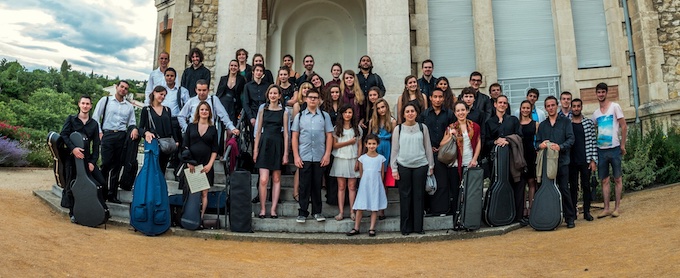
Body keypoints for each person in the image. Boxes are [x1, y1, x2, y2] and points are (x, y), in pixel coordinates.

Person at [60, 95, 108, 222]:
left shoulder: (94, 124)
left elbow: (96, 145)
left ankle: (97, 210)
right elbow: (64, 135)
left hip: (86, 159)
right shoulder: (71, 119)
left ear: (91, 106)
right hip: (72, 158)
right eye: (83, 103)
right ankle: (73, 213)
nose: (85, 106)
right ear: (79, 104)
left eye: (88, 104)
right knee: (71, 184)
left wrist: (92, 162)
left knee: (101, 182)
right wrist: (73, 149)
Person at [390, 103, 435, 235]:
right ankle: (405, 228)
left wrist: (430, 166)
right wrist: (394, 168)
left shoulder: (422, 128)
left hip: (421, 165)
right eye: (407, 111)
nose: (410, 113)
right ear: (403, 114)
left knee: (419, 197)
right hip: (403, 166)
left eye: (412, 111)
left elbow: (428, 147)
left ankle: (418, 227)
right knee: (405, 197)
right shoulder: (398, 129)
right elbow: (394, 150)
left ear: (416, 113)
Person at [91, 80, 138, 203]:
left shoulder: (129, 106)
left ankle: (112, 194)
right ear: (116, 87)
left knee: (117, 166)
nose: (123, 89)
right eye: (121, 87)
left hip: (122, 136)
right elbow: (96, 117)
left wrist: (133, 130)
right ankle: (102, 192)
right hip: (107, 134)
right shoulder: (105, 101)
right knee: (106, 164)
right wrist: (100, 133)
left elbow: (132, 122)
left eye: (126, 88)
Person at [292, 89, 333, 223]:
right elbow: (295, 137)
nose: (313, 100)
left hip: (319, 156)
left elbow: (329, 135)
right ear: (306, 99)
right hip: (304, 156)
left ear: (319, 100)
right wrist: (296, 156)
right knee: (304, 185)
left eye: (315, 97)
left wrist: (327, 154)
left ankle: (317, 211)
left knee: (317, 185)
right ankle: (303, 212)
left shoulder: (324, 116)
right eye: (310, 97)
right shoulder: (300, 116)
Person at [484, 95, 524, 224]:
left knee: (516, 186)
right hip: (496, 162)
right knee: (499, 187)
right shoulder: (489, 122)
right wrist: (496, 141)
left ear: (507, 105)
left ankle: (517, 217)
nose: (502, 105)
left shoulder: (513, 120)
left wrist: (508, 139)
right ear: (495, 104)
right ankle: (502, 215)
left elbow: (519, 135)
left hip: (513, 159)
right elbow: (485, 142)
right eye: (500, 102)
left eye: (504, 103)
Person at [536, 96, 576, 228]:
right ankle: (551, 217)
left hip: (563, 161)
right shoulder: (542, 125)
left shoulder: (565, 122)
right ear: (545, 108)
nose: (551, 108)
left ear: (557, 106)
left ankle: (570, 218)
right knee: (548, 190)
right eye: (548, 106)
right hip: (547, 164)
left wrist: (561, 147)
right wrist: (540, 145)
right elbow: (537, 142)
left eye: (553, 105)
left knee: (564, 189)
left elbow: (571, 139)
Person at [591, 82, 627, 218]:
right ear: (596, 94)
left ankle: (617, 208)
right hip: (601, 150)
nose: (601, 94)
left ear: (606, 93)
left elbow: (623, 126)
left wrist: (622, 145)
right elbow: (592, 128)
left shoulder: (615, 107)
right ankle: (606, 208)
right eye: (598, 92)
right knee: (604, 180)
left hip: (615, 148)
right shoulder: (595, 114)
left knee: (617, 178)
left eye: (603, 92)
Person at [253, 85, 289, 219]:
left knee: (276, 178)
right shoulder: (263, 110)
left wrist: (286, 153)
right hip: (264, 144)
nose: (273, 95)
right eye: (271, 93)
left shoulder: (284, 112)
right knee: (263, 179)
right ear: (268, 95)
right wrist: (255, 150)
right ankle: (262, 208)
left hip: (277, 144)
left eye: (275, 93)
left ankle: (273, 209)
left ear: (280, 96)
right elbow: (257, 131)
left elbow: (286, 134)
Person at [419, 89, 455, 216]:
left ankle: (441, 210)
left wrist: (442, 146)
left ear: (444, 98)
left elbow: (452, 132)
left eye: (440, 97)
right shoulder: (424, 115)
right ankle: (428, 209)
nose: (438, 99)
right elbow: (421, 134)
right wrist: (429, 147)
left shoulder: (449, 114)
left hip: (444, 152)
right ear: (430, 98)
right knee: (429, 182)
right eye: (435, 97)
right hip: (427, 152)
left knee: (443, 182)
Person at [441, 101, 481, 213]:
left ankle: (469, 219)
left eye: (463, 110)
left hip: (470, 163)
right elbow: (442, 144)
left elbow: (478, 143)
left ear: (467, 111)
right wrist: (450, 135)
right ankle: (457, 219)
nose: (461, 113)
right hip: (455, 164)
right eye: (458, 110)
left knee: (470, 192)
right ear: (454, 113)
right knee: (456, 192)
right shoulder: (451, 127)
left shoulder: (475, 126)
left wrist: (474, 159)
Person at [183, 101, 219, 220]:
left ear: (209, 113)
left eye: (206, 110)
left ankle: (200, 217)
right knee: (191, 192)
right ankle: (189, 216)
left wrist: (210, 165)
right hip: (192, 164)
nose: (204, 112)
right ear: (198, 111)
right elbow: (186, 145)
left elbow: (215, 150)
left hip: (206, 166)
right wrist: (189, 162)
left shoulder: (213, 129)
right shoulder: (191, 126)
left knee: (204, 193)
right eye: (202, 109)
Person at [346, 134, 388, 237]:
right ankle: (356, 227)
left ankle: (372, 228)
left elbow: (382, 173)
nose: (371, 146)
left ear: (377, 145)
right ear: (366, 144)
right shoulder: (362, 158)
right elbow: (361, 173)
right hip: (365, 185)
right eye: (369, 144)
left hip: (376, 184)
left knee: (374, 206)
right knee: (360, 206)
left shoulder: (381, 158)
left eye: (374, 144)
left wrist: (379, 185)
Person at [330, 104, 363, 221]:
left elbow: (359, 145)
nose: (347, 115)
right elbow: (335, 145)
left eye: (350, 112)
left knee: (352, 186)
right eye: (345, 112)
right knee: (341, 186)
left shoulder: (357, 129)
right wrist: (349, 142)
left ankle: (352, 211)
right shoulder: (337, 128)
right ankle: (341, 211)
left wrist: (359, 160)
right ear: (342, 114)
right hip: (340, 159)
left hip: (353, 158)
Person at [367, 98, 396, 219]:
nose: (381, 110)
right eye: (378, 108)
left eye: (383, 107)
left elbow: (395, 140)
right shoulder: (372, 122)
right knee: (374, 180)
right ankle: (373, 207)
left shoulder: (392, 121)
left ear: (387, 107)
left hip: (388, 149)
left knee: (384, 182)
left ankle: (381, 210)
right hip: (375, 150)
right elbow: (368, 138)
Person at [570, 98, 597, 221]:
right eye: (574, 106)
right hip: (571, 161)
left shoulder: (588, 123)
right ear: (571, 107)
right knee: (573, 187)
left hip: (585, 159)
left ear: (581, 107)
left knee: (586, 186)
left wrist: (593, 160)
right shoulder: (567, 123)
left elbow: (592, 142)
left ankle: (587, 211)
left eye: (578, 106)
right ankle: (573, 211)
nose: (576, 108)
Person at [139, 86, 178, 174]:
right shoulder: (146, 110)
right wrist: (146, 132)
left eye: (164, 95)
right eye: (161, 94)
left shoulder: (167, 110)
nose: (163, 97)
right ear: (154, 93)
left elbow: (171, 127)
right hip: (153, 143)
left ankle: (159, 187)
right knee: (152, 169)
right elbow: (140, 128)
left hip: (166, 144)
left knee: (162, 169)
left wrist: (176, 140)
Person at [162, 67, 190, 169]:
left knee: (178, 144)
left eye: (172, 76)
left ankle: (176, 166)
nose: (169, 78)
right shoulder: (160, 90)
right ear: (164, 77)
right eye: (167, 76)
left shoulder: (182, 91)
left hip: (176, 120)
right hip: (163, 120)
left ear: (175, 77)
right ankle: (166, 163)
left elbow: (188, 106)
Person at [518, 100, 538, 217]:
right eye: (523, 108)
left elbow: (538, 139)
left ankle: (531, 207)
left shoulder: (535, 124)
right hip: (519, 154)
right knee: (522, 182)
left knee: (531, 182)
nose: (525, 110)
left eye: (527, 108)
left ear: (531, 109)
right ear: (520, 109)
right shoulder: (516, 123)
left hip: (531, 154)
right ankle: (523, 208)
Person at [216, 60, 247, 124]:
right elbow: (219, 92)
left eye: (235, 66)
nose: (233, 67)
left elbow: (243, 93)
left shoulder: (241, 79)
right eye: (231, 65)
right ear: (229, 67)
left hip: (235, 105)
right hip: (223, 103)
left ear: (238, 68)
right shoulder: (223, 78)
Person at [243, 64, 274, 129]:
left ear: (263, 73)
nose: (259, 72)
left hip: (265, 114)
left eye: (261, 71)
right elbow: (246, 103)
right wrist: (251, 117)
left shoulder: (268, 86)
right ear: (253, 72)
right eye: (257, 70)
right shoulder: (247, 86)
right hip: (253, 113)